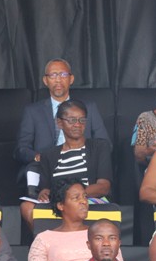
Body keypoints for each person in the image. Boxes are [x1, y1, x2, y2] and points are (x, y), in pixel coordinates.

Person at [14, 58, 110, 189]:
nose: (58, 79)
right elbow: (21, 149)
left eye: (63, 74)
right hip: (46, 167)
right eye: (53, 75)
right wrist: (39, 157)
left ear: (71, 79)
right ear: (45, 81)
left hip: (82, 165)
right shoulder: (32, 111)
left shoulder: (89, 108)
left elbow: (105, 144)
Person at [20, 99, 112, 230]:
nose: (77, 125)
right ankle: (47, 244)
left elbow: (104, 187)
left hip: (88, 201)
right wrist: (44, 193)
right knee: (27, 207)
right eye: (72, 120)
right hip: (60, 204)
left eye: (82, 120)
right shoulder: (49, 155)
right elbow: (45, 189)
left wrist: (73, 197)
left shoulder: (99, 147)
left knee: (74, 205)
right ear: (59, 123)